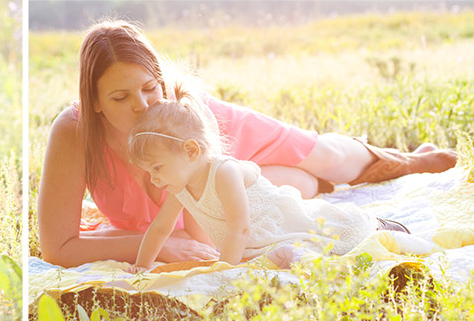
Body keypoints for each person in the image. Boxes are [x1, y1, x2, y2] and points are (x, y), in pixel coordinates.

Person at [37, 21, 456, 268]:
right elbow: (57, 246)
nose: (143, 105)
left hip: (218, 140)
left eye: (150, 88)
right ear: (92, 101)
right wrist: (157, 247)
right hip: (230, 187)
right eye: (120, 98)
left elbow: (196, 230)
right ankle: (317, 183)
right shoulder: (73, 133)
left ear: (162, 82)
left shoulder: (182, 114)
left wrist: (162, 243)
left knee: (324, 157)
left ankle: (405, 161)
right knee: (299, 184)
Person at [127, 98, 408, 271]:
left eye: (157, 167)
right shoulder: (179, 186)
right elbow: (160, 228)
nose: (154, 179)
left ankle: (379, 225)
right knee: (286, 257)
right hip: (255, 242)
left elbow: (241, 227)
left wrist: (224, 270)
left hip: (280, 221)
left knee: (332, 232)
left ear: (191, 151)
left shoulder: (223, 172)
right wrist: (142, 265)